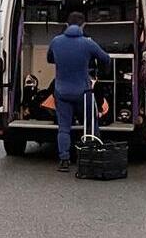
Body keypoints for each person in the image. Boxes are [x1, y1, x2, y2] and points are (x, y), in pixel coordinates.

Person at [47, 12, 111, 172]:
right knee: (90, 123)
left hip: (61, 91)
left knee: (63, 127)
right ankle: (93, 157)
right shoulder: (87, 43)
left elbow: (50, 59)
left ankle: (64, 160)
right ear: (83, 25)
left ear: (67, 25)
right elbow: (106, 58)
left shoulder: (56, 42)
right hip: (83, 92)